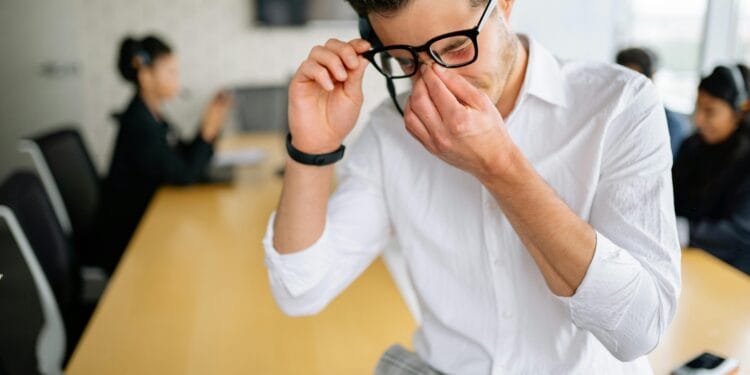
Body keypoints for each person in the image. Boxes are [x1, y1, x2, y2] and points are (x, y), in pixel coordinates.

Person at [263, 0, 681, 373]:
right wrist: (312, 149)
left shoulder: (619, 105)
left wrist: (499, 167)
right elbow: (300, 291)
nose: (437, 82)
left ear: (504, 4)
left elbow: (637, 329)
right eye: (408, 62)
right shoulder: (390, 133)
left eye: (456, 47)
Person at [94, 35, 232, 272]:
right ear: (146, 77)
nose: (177, 80)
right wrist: (207, 132)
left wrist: (206, 129)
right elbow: (184, 175)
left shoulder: (152, 115)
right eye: (170, 72)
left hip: (149, 222)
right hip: (130, 239)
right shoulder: (138, 124)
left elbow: (179, 157)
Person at [673, 64, 750, 275]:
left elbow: (741, 232)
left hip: (732, 272)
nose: (698, 120)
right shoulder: (692, 145)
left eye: (710, 111)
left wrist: (687, 231)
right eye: (698, 107)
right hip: (686, 262)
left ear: (739, 112)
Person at [616, 47, 692, 157]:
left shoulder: (671, 124)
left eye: (634, 82)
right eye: (622, 81)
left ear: (651, 78)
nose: (627, 89)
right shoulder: (610, 118)